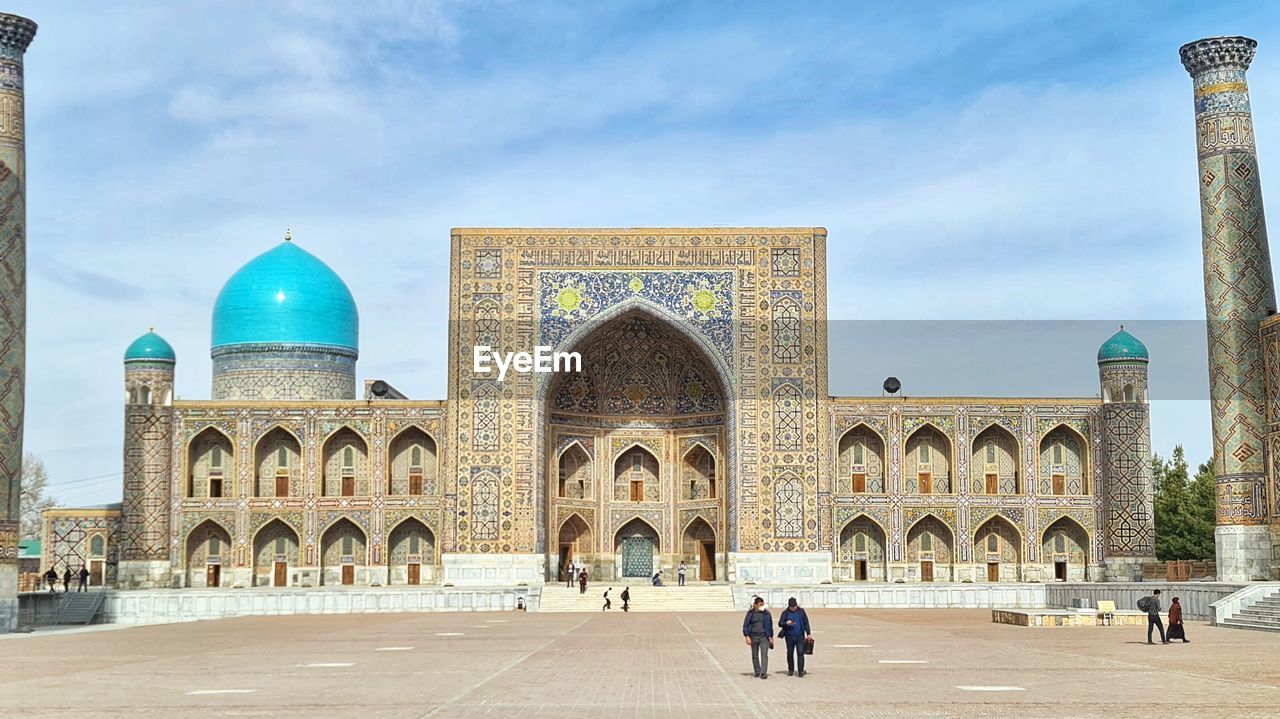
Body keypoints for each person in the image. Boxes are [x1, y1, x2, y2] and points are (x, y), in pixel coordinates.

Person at [778, 597, 812, 677]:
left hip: (800, 636)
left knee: (800, 653)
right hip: (789, 636)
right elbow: (780, 623)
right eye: (791, 607)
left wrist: (808, 633)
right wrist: (786, 623)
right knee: (790, 653)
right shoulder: (785, 613)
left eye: (794, 607)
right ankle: (791, 670)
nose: (793, 608)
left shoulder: (801, 612)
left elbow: (806, 622)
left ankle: (800, 671)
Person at [742, 596, 774, 679]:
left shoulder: (767, 614)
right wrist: (747, 636)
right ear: (755, 605)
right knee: (754, 655)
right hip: (753, 636)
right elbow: (745, 625)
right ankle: (757, 671)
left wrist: (771, 637)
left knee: (764, 655)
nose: (762, 606)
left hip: (764, 636)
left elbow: (770, 626)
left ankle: (763, 672)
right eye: (760, 604)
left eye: (763, 604)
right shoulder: (750, 614)